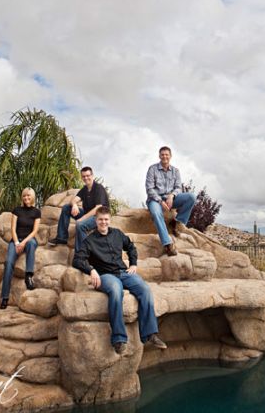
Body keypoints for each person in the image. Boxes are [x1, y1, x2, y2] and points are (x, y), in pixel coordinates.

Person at [72, 206, 167, 355]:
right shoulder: (89, 241)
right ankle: (119, 339)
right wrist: (91, 270)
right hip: (105, 276)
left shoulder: (117, 234)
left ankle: (149, 334)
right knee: (116, 290)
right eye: (100, 220)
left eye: (106, 219)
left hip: (123, 272)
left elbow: (131, 247)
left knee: (145, 289)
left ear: (110, 220)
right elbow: (77, 260)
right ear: (95, 221)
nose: (103, 222)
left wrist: (133, 263)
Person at [145, 146, 196, 256]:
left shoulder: (175, 171)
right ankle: (167, 244)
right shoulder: (152, 169)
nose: (165, 157)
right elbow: (149, 189)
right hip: (155, 200)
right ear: (159, 156)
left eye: (166, 154)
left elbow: (178, 188)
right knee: (156, 213)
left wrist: (172, 196)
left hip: (170, 199)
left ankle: (177, 223)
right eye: (162, 154)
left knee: (191, 197)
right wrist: (160, 201)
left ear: (170, 156)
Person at [49, 166, 109, 251]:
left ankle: (82, 253)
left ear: (92, 176)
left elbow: (98, 208)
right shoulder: (84, 189)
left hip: (99, 217)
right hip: (88, 215)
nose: (86, 178)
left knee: (80, 225)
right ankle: (62, 238)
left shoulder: (98, 188)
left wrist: (82, 219)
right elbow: (73, 200)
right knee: (66, 208)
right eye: (84, 176)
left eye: (88, 175)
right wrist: (74, 205)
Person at [0, 187, 41, 309]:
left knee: (32, 244)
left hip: (29, 240)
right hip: (16, 240)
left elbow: (35, 231)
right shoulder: (17, 210)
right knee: (8, 263)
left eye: (28, 195)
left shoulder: (36, 212)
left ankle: (29, 275)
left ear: (32, 197)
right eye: (24, 196)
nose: (26, 198)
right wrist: (17, 243)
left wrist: (23, 243)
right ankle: (5, 297)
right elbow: (13, 229)